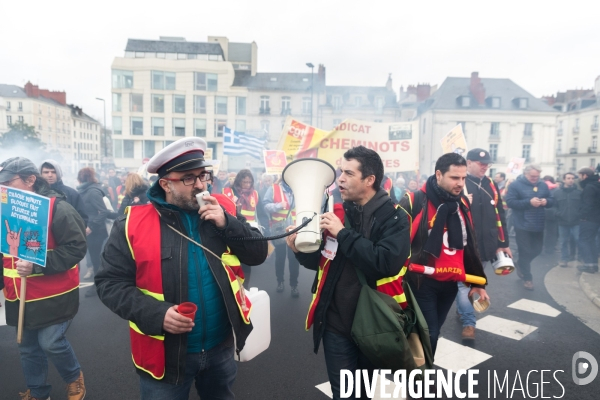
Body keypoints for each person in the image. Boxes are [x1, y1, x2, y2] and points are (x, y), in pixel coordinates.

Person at [95, 138, 267, 400]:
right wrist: (157, 313)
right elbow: (109, 283)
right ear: (165, 184)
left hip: (221, 346)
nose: (200, 185)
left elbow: (258, 254)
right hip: (165, 355)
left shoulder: (224, 208)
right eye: (188, 178)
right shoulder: (131, 224)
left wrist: (227, 224)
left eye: (203, 175)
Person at [286, 146, 410, 400]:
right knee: (343, 394)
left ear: (369, 180)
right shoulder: (336, 211)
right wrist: (301, 249)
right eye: (341, 171)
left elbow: (385, 263)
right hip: (336, 325)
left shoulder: (395, 218)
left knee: (363, 392)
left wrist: (343, 233)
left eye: (348, 173)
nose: (339, 178)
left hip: (374, 324)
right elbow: (322, 262)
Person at [0, 157, 87, 400]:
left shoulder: (58, 208)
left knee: (51, 343)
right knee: (26, 347)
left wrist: (38, 265)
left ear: (30, 180)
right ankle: (38, 393)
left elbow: (77, 248)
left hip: (54, 294)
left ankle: (74, 377)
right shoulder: (2, 207)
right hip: (17, 293)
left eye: (7, 182)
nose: (1, 187)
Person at [399, 153, 488, 356]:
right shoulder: (414, 200)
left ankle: (419, 371)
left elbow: (469, 246)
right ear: (438, 175)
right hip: (422, 282)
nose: (460, 183)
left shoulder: (462, 203)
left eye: (463, 178)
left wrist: (478, 282)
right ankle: (420, 380)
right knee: (428, 333)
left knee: (433, 332)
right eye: (454, 178)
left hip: (450, 283)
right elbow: (397, 244)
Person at [458, 149, 510, 340]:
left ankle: (463, 309)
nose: (485, 166)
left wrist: (503, 243)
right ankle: (469, 323)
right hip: (464, 245)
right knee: (466, 285)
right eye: (481, 163)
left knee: (471, 283)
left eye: (487, 163)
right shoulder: (460, 182)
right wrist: (459, 202)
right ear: (469, 162)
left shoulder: (491, 184)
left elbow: (500, 215)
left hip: (487, 245)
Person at [505, 165, 554, 290]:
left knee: (537, 250)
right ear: (525, 174)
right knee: (525, 251)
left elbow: (552, 200)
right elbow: (510, 202)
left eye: (537, 176)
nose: (535, 179)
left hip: (538, 223)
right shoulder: (515, 185)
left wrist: (546, 201)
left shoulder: (542, 185)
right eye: (532, 176)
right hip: (522, 224)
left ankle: (520, 264)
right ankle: (528, 279)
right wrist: (528, 202)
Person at [263, 179, 300, 296]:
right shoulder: (274, 188)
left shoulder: (297, 189)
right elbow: (265, 206)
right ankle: (280, 282)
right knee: (280, 258)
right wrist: (279, 205)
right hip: (279, 230)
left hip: (294, 229)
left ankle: (294, 285)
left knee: (294, 258)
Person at [223, 169, 259, 286]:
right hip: (233, 231)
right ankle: (233, 286)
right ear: (239, 181)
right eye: (245, 182)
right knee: (233, 260)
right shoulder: (228, 191)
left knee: (247, 261)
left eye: (249, 182)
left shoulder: (255, 193)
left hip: (249, 231)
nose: (247, 185)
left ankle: (245, 287)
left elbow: (259, 213)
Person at [77, 167, 111, 289]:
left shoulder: (92, 191)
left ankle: (98, 285)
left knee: (96, 259)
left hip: (96, 231)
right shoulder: (85, 190)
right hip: (90, 230)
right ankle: (99, 283)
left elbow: (103, 212)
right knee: (94, 258)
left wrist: (91, 226)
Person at [39, 159, 88, 226]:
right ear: (40, 174)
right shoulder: (36, 193)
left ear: (58, 174)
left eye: (53, 172)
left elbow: (83, 219)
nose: (50, 175)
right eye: (46, 172)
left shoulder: (72, 194)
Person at [553, 173, 581, 267]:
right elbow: (554, 206)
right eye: (568, 178)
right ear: (564, 180)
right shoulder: (557, 193)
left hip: (576, 221)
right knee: (563, 241)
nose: (571, 180)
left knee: (578, 239)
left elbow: (583, 206)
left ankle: (579, 257)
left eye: (572, 178)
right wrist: (558, 214)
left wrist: (579, 214)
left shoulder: (578, 192)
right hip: (562, 221)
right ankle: (564, 259)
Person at [576, 167, 600, 273]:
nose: (579, 178)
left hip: (588, 218)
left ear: (585, 175)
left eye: (580, 175)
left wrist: (582, 215)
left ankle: (588, 264)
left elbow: (587, 204)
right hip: (596, 218)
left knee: (584, 241)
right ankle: (593, 265)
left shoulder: (589, 187)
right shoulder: (596, 185)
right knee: (591, 242)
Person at [542, 176, 559, 254]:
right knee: (552, 233)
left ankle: (541, 249)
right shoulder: (557, 190)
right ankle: (550, 249)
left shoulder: (540, 188)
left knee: (542, 232)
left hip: (541, 213)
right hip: (553, 214)